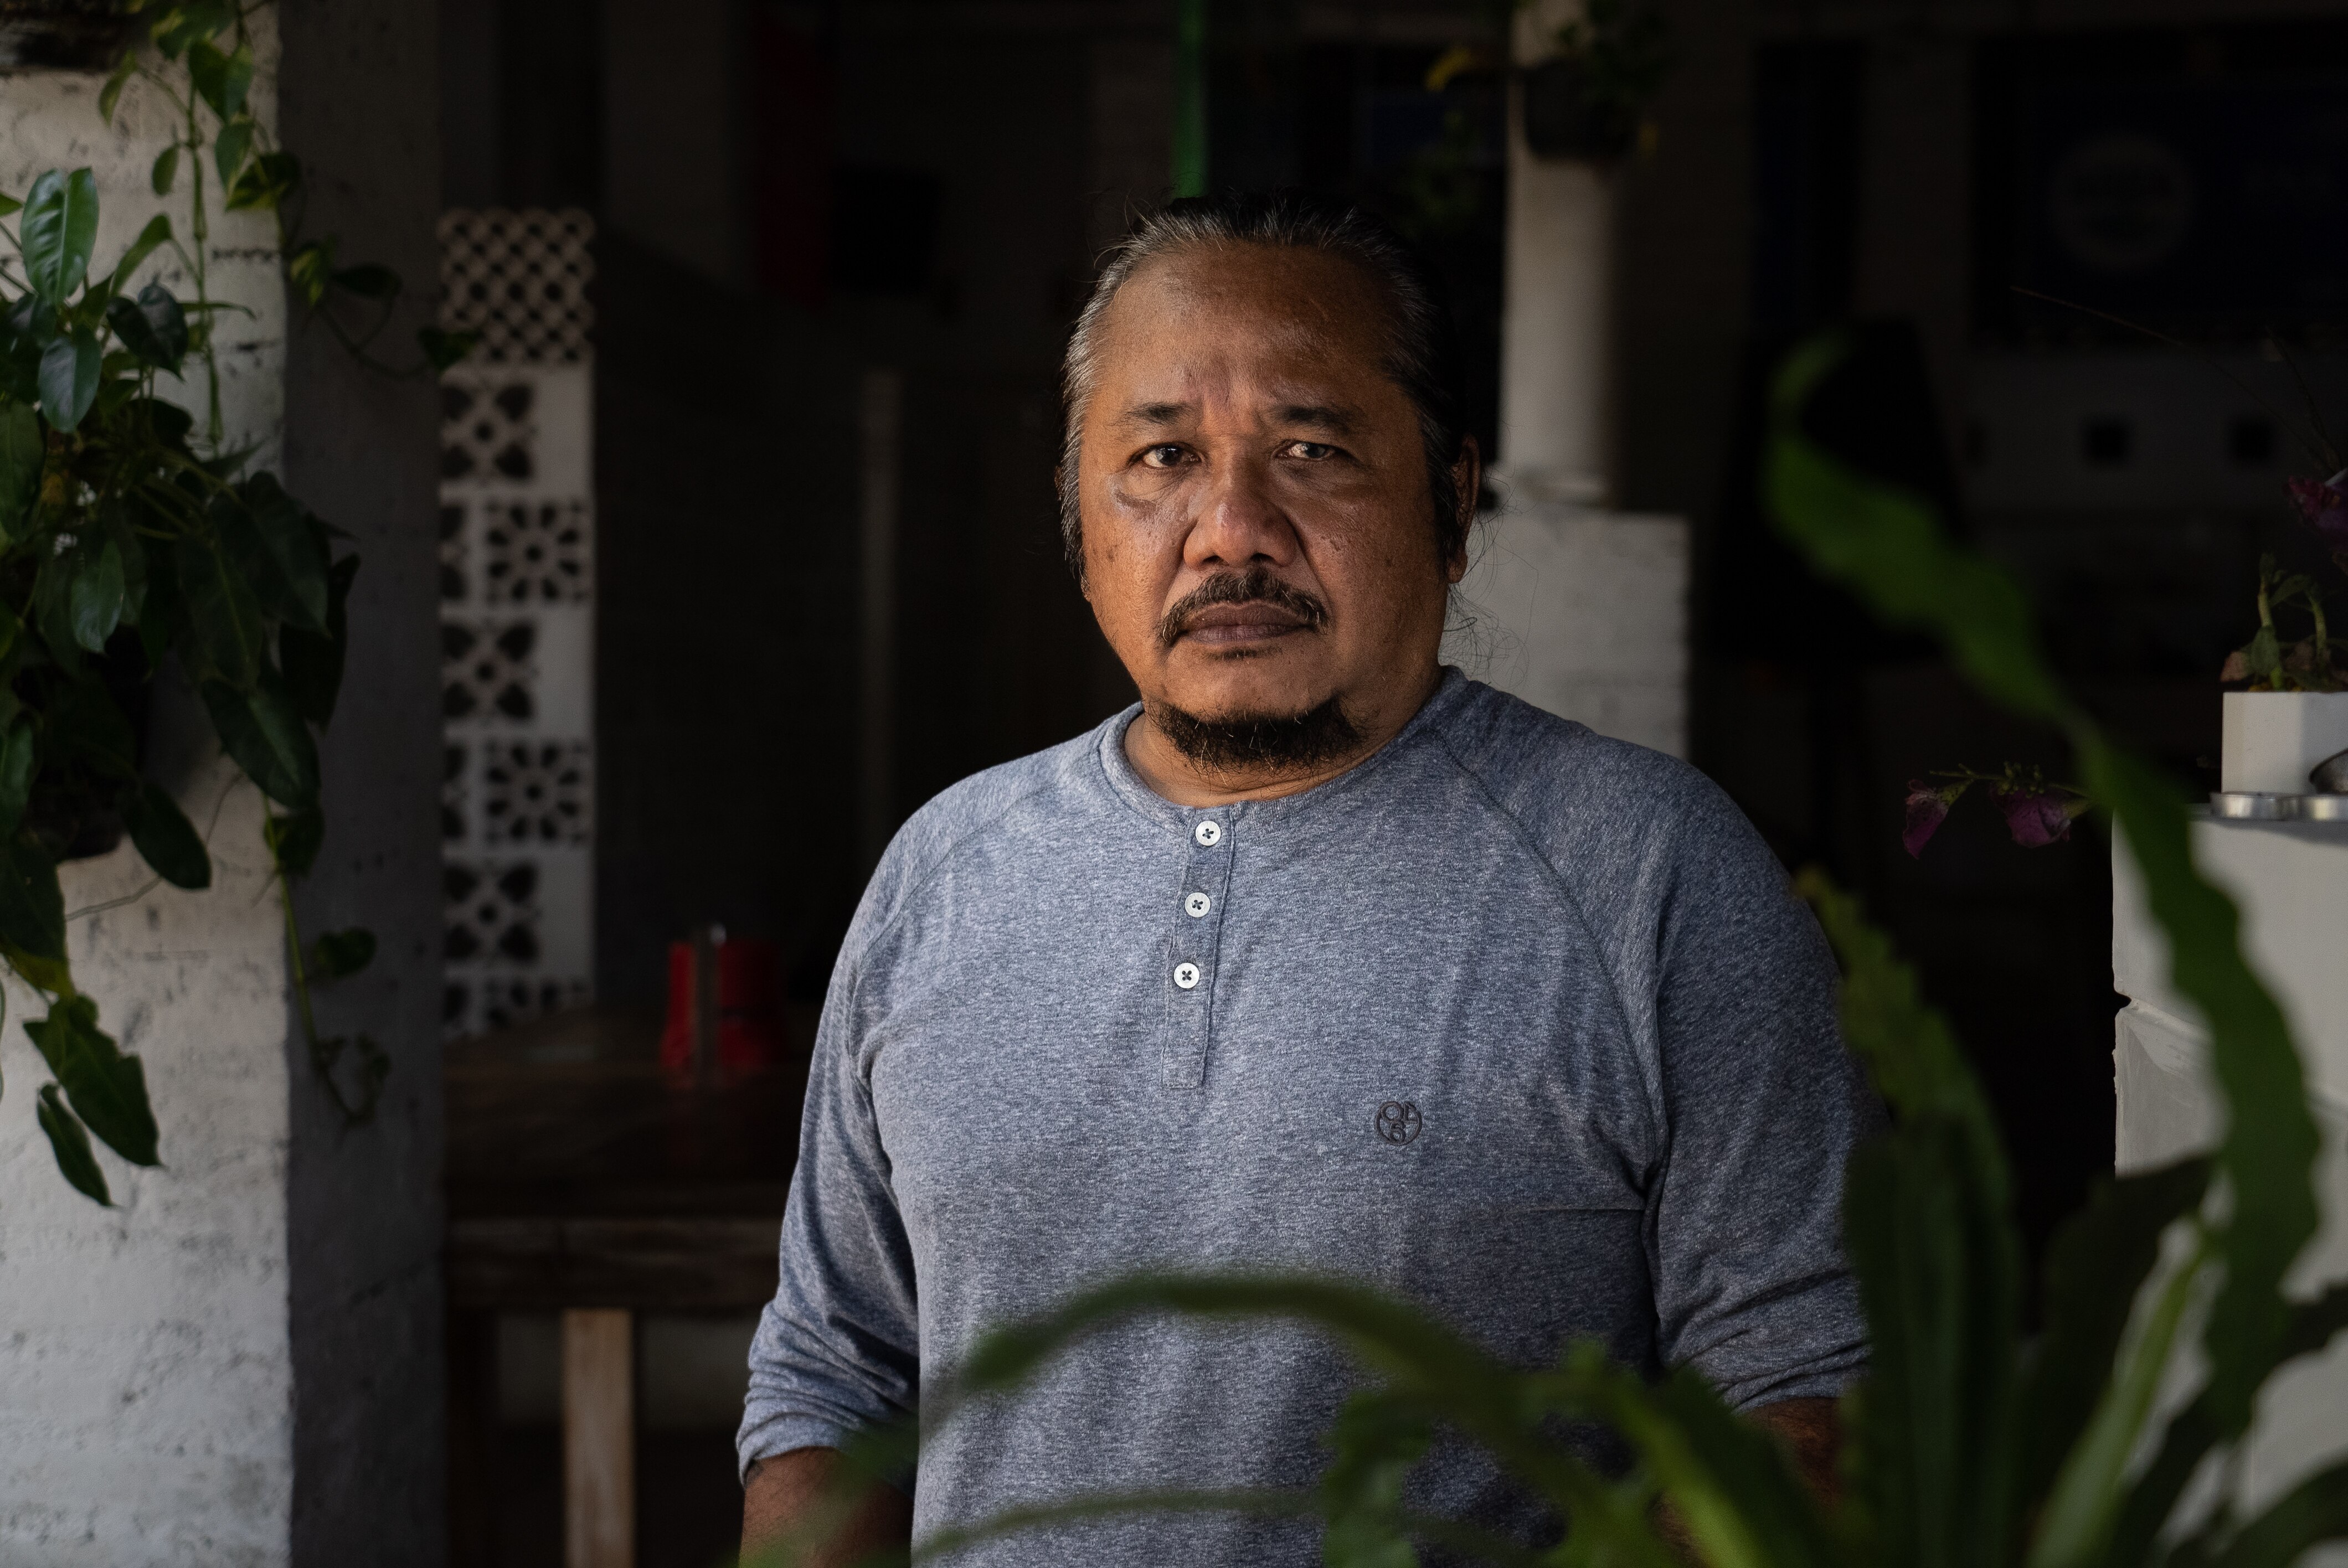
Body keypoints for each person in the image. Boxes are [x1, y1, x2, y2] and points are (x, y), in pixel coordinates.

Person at [737, 194, 1873, 1565]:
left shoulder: (1654, 877)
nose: (1230, 530)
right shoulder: (943, 869)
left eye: (1311, 450)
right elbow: (836, 1369)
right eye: (1160, 456)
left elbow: (1796, 1411)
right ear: (1076, 518)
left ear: (1450, 500)